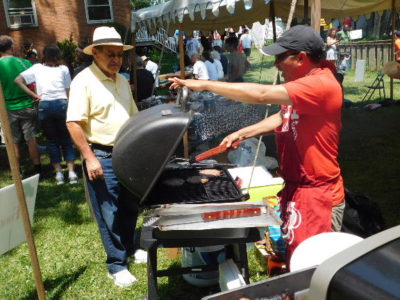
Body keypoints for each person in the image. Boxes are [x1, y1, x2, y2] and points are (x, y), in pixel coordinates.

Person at [169, 25, 345, 266]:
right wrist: (243, 132)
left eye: (281, 57)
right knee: (296, 259)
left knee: (313, 266)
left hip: (318, 195)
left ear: (301, 58)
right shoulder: (303, 82)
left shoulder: (321, 84)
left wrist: (205, 84)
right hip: (298, 187)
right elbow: (285, 116)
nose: (277, 64)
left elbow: (261, 94)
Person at [66, 26, 145, 288]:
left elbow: (133, 116)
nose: (116, 60)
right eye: (109, 54)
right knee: (108, 211)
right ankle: (116, 264)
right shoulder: (83, 81)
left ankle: (130, 248)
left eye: (119, 54)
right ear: (95, 54)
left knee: (130, 205)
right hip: (101, 153)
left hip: (127, 151)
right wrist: (89, 157)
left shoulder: (121, 80)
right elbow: (73, 123)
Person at [15, 45, 78, 185]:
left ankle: (59, 175)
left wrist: (35, 95)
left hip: (45, 105)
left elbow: (18, 80)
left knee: (52, 140)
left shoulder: (37, 68)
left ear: (44, 55)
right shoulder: (64, 69)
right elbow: (68, 91)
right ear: (58, 55)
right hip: (62, 104)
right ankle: (72, 173)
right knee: (66, 139)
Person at [0, 35, 41, 175]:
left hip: (8, 109)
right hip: (28, 105)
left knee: (14, 141)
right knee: (31, 138)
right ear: (11, 47)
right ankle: (37, 168)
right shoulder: (25, 62)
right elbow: (34, 82)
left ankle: (17, 171)